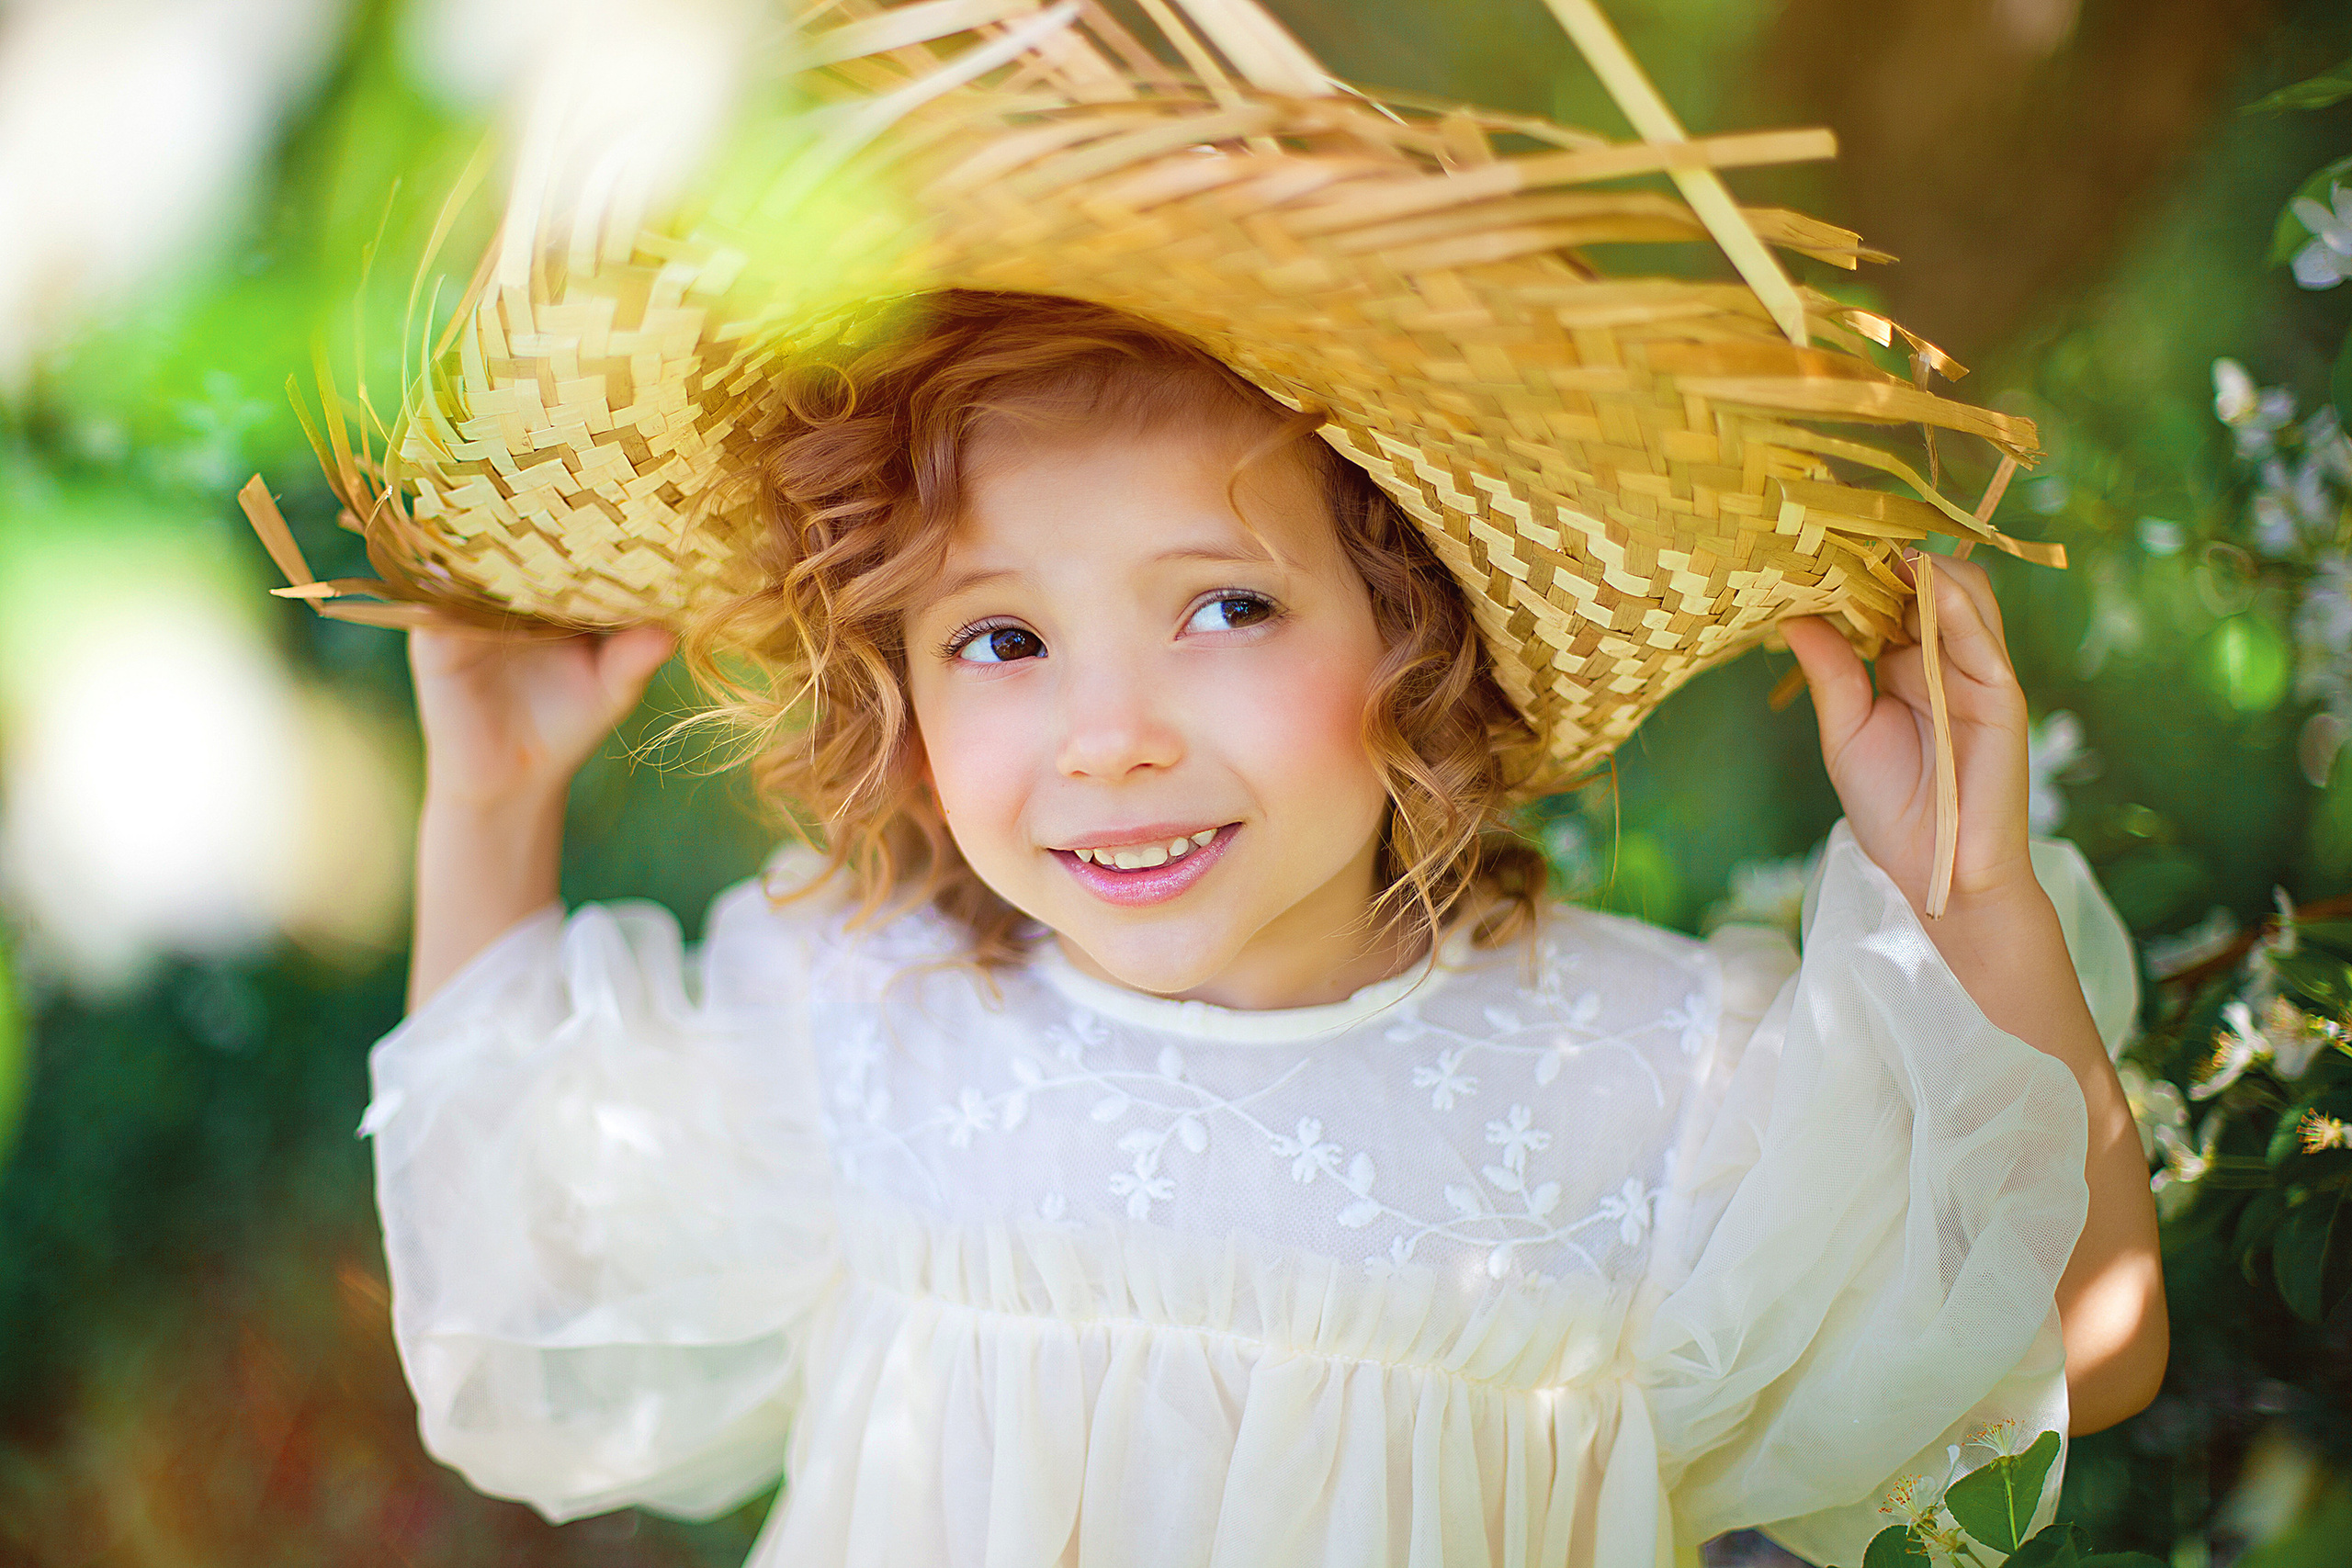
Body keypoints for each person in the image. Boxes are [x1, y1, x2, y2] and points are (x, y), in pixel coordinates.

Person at [279, 6, 2165, 1564]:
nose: (1108, 733)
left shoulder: (1638, 1081)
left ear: (1412, 633)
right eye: (998, 639)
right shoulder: (863, 1019)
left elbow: (2068, 1345)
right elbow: (517, 1294)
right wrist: (489, 808)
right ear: (899, 694)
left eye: (1224, 605)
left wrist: (1968, 903)